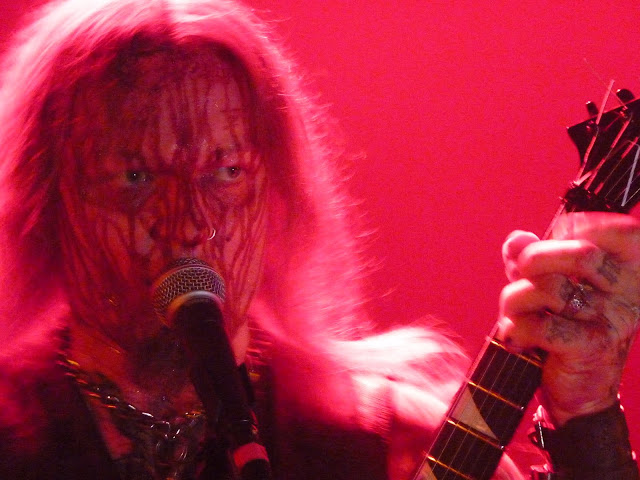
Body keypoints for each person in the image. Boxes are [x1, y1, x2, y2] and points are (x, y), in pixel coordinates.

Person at [0, 0, 637, 479]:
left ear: (277, 195)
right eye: (136, 177)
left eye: (226, 172)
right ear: (44, 196)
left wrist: (586, 419)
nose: (188, 222)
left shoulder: (393, 444)